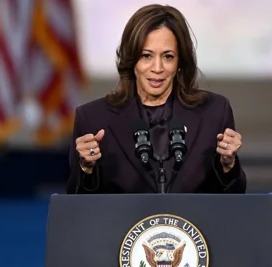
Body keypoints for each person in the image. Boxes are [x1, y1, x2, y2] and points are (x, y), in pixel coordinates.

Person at [67, 4, 246, 194]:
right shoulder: (94, 118)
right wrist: (86, 169)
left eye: (168, 56)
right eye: (146, 56)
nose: (157, 68)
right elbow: (77, 207)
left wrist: (228, 166)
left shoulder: (214, 112)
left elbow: (233, 203)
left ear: (180, 62)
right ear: (131, 59)